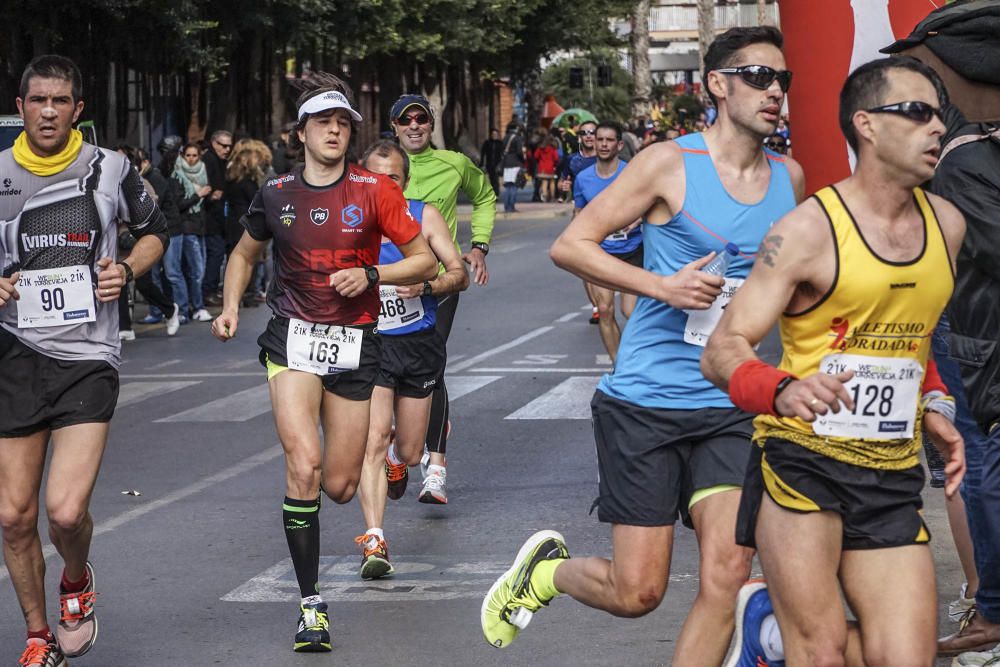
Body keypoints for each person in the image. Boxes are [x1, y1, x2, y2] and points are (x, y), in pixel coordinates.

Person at [482, 28, 803, 666]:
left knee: (728, 572)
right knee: (638, 592)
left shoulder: (790, 177)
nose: (775, 93)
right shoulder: (668, 162)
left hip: (731, 402)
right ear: (717, 83)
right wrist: (662, 284)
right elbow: (571, 244)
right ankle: (546, 575)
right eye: (759, 76)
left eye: (782, 80)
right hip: (647, 402)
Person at [701, 56, 965, 666]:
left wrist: (932, 404)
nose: (937, 130)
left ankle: (767, 632)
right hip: (802, 463)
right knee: (819, 654)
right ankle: (775, 632)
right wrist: (782, 388)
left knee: (906, 658)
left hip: (890, 473)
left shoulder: (947, 225)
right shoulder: (805, 232)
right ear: (867, 125)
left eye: (941, 117)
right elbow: (722, 350)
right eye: (919, 113)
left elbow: (907, 339)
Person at [211, 77, 436, 653]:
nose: (336, 130)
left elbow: (423, 261)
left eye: (344, 123)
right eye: (324, 122)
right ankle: (311, 605)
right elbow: (243, 252)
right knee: (304, 466)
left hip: (357, 345)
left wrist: (373, 274)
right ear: (302, 133)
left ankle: (363, 485)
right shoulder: (276, 192)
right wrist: (231, 305)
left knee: (337, 485)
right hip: (292, 341)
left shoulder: (375, 190)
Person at [0, 55, 168, 667]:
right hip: (13, 354)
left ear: (78, 110)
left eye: (60, 101)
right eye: (37, 100)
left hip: (87, 357)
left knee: (65, 511)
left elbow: (155, 230)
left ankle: (75, 575)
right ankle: (39, 635)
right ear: (20, 108)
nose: (48, 110)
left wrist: (126, 268)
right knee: (14, 517)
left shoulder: (110, 169)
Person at [354, 139, 469, 578]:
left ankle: (401, 463)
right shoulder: (352, 221)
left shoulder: (424, 216)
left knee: (409, 446)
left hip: (418, 345)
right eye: (376, 177)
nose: (385, 185)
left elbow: (458, 275)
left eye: (394, 179)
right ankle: (375, 540)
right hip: (372, 344)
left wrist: (426, 288)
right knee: (375, 438)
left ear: (406, 182)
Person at [390, 93, 496, 504]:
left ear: (431, 125)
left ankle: (435, 467)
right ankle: (396, 446)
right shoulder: (376, 168)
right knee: (383, 369)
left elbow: (485, 195)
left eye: (421, 119)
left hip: (437, 284)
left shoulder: (453, 163)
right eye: (405, 120)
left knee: (430, 366)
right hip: (384, 282)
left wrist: (479, 245)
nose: (414, 126)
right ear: (394, 127)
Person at [572, 121, 641, 362]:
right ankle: (619, 365)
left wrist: (636, 220)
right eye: (599, 139)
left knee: (631, 311)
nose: (603, 144)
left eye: (609, 140)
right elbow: (579, 215)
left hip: (632, 249)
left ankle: (639, 359)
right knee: (604, 310)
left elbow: (651, 204)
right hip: (600, 251)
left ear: (619, 144)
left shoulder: (631, 172)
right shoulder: (582, 179)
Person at [167, 143, 213, 322]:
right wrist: (198, 195)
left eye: (195, 155)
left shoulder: (203, 172)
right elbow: (178, 204)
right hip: (186, 228)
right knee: (195, 270)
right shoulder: (177, 176)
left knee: (196, 270)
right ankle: (195, 307)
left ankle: (194, 307)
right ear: (183, 156)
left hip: (200, 226)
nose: (192, 159)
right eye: (188, 155)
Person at [201, 130, 232, 306]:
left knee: (218, 255)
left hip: (220, 217)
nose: (227, 149)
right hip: (210, 217)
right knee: (215, 254)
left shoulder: (221, 161)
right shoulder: (209, 160)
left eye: (229, 145)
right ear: (214, 143)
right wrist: (210, 194)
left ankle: (212, 289)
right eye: (223, 145)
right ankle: (208, 291)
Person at [500, 122, 525, 213]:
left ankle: (506, 207)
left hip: (506, 164)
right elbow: (519, 152)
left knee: (508, 186)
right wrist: (523, 160)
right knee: (514, 186)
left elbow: (502, 150)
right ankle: (511, 207)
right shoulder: (517, 138)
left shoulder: (505, 137)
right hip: (515, 163)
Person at [534, 135, 559, 202]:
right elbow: (556, 158)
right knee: (552, 182)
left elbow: (536, 156)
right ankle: (552, 197)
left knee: (544, 182)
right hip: (551, 167)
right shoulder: (552, 148)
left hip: (542, 167)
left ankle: (544, 197)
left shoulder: (540, 148)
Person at [480, 128, 504, 195]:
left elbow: (503, 154)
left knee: (496, 180)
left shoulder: (500, 143)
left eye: (495, 134)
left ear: (497, 135)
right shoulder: (487, 143)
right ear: (490, 135)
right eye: (493, 134)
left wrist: (502, 164)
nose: (494, 135)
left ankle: (496, 194)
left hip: (497, 164)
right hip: (489, 164)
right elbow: (483, 153)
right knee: (491, 180)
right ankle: (492, 194)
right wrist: (481, 163)